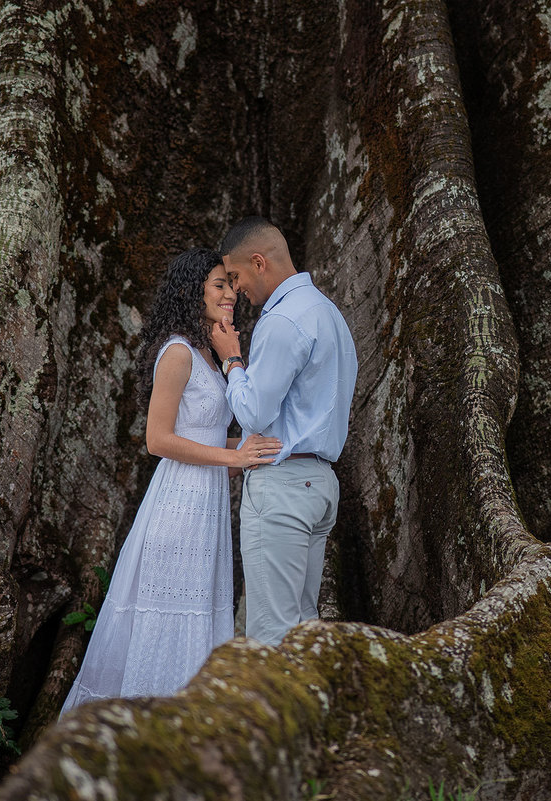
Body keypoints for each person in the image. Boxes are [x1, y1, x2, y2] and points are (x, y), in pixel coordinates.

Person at [60, 248, 281, 715]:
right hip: (178, 502)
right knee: (167, 613)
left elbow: (219, 426)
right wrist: (233, 456)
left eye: (230, 285)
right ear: (192, 290)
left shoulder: (208, 350)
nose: (230, 295)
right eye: (218, 285)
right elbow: (157, 439)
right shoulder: (178, 352)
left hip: (209, 505)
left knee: (199, 616)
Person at [209, 217, 357, 647]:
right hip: (321, 485)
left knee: (271, 635)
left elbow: (255, 412)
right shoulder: (328, 313)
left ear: (259, 262)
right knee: (303, 631)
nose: (235, 291)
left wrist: (232, 360)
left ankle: (270, 716)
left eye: (235, 277)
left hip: (283, 487)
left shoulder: (283, 319)